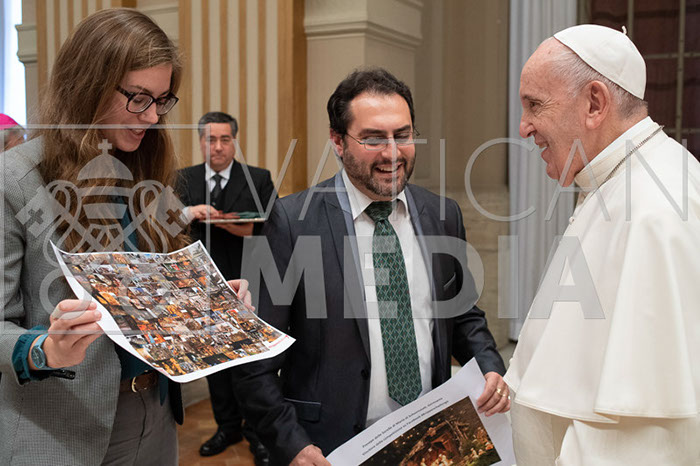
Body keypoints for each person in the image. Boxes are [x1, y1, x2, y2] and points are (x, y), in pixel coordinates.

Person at [0, 9, 251, 465]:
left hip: (156, 411)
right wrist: (44, 349)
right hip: (63, 425)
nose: (152, 117)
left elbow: (151, 292)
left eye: (162, 100)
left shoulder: (147, 171)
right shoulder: (14, 179)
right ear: (88, 86)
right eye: (138, 98)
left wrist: (211, 305)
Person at [234, 68, 509, 465]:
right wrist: (292, 444)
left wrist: (489, 367)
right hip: (332, 448)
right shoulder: (291, 222)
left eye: (403, 135)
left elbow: (464, 315)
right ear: (337, 141)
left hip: (429, 439)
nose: (392, 153)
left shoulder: (442, 215)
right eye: (373, 138)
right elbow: (255, 359)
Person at [505, 24, 700, 464]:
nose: (523, 127)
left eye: (535, 104)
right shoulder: (620, 180)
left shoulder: (655, 209)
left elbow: (645, 437)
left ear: (594, 103)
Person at [178, 111, 276, 463]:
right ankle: (227, 426)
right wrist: (189, 212)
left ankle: (258, 434)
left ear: (234, 141)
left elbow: (274, 226)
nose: (217, 147)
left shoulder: (258, 178)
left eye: (224, 139)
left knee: (251, 362)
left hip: (249, 279)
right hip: (201, 282)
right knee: (215, 360)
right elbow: (162, 222)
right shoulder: (182, 179)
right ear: (201, 142)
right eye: (210, 139)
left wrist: (231, 225)